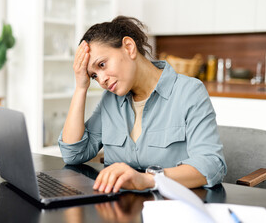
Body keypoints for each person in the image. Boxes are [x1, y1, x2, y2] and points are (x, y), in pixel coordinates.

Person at [58, 16, 227, 193]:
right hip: (120, 209)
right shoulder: (110, 100)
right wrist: (80, 87)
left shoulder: (189, 92)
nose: (102, 80)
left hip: (171, 206)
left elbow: (211, 165)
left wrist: (148, 180)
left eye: (102, 64)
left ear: (129, 48)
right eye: (94, 76)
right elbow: (73, 154)